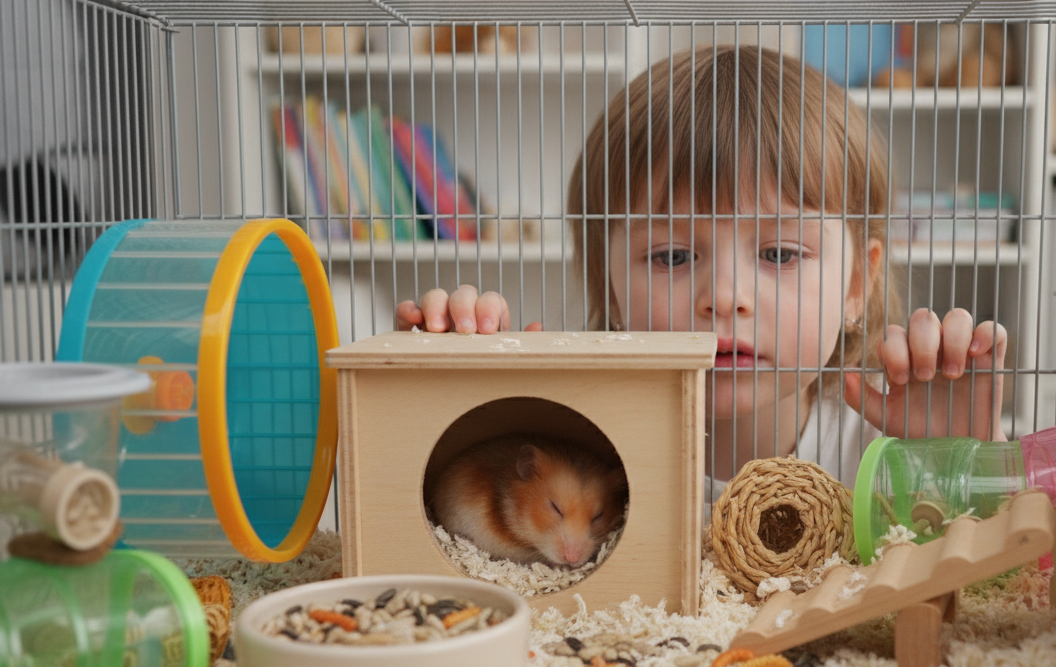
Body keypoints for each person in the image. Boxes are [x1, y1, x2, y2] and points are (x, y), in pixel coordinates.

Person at [397, 44, 1007, 498]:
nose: (724, 298)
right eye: (671, 256)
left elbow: (998, 586)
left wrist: (957, 459)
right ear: (606, 285)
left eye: (780, 254)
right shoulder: (564, 450)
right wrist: (456, 400)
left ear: (856, 286)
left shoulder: (884, 449)